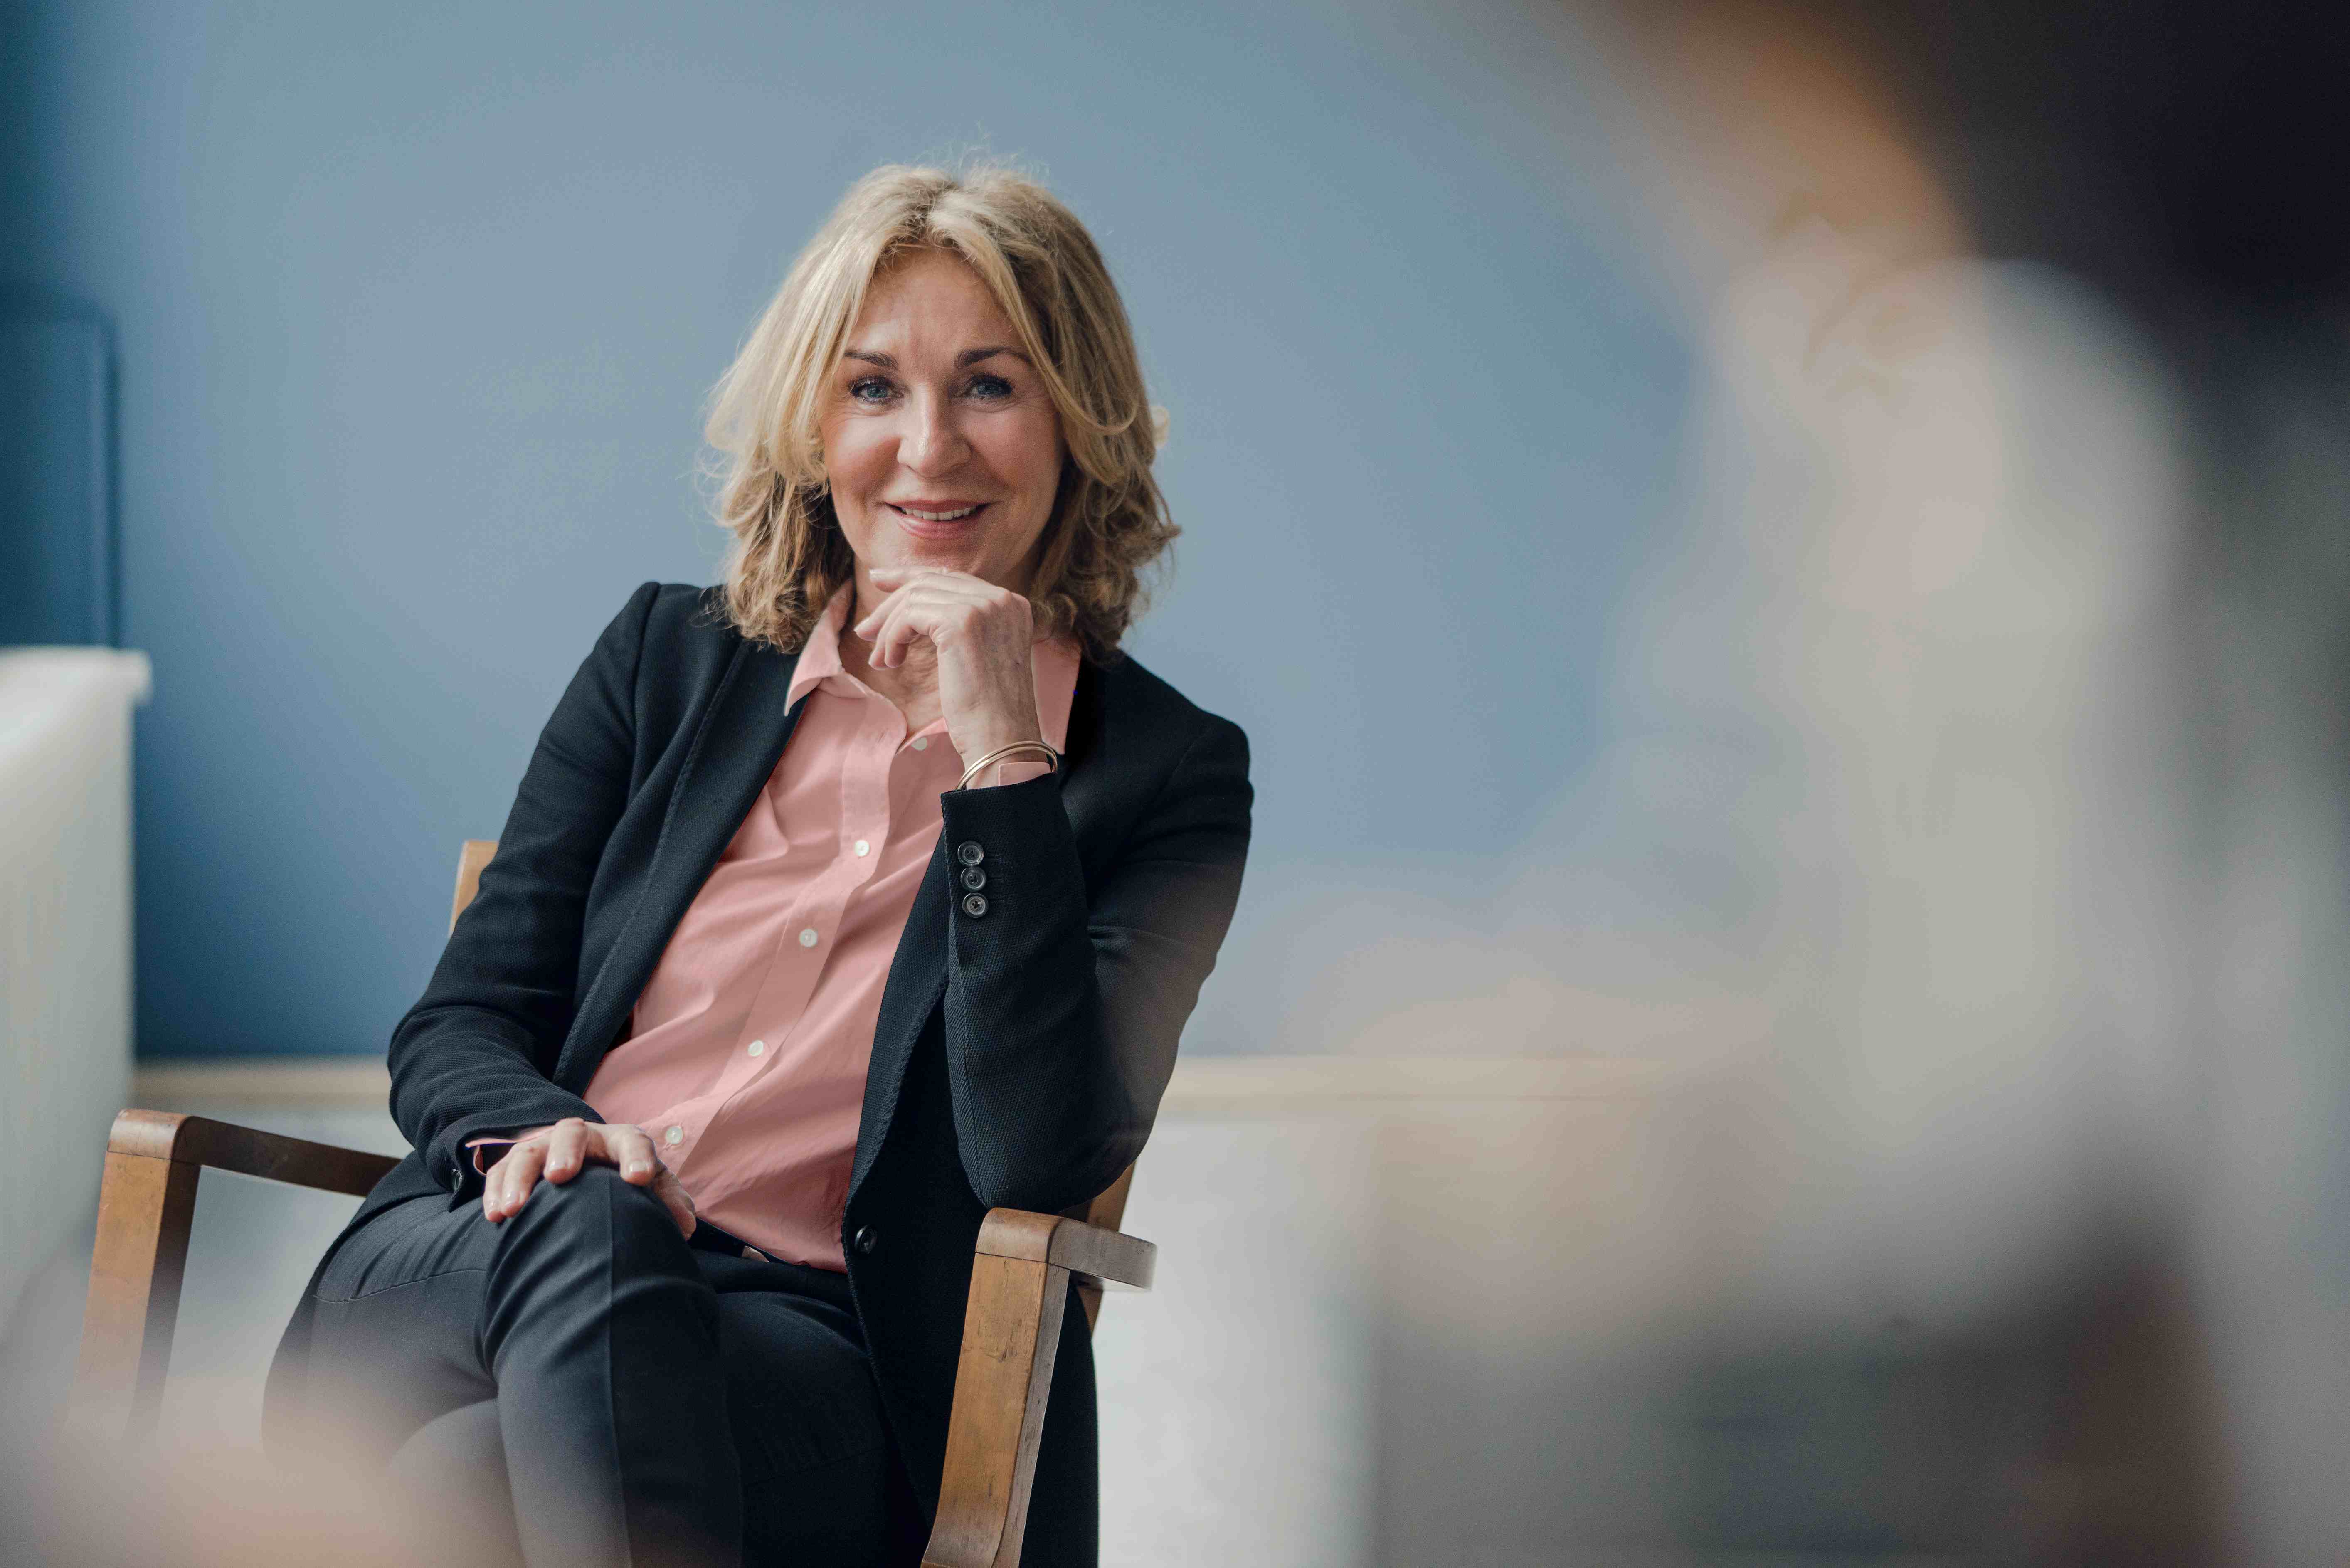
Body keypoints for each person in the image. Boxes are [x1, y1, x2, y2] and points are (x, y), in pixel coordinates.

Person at [262, 163, 1253, 1568]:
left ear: (1078, 422)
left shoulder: (1164, 773)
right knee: (591, 1229)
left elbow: (1038, 1149)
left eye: (989, 385)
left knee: (471, 1478)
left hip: (806, 1346)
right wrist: (542, 1140)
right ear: (811, 422)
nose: (928, 449)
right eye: (871, 390)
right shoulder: (665, 658)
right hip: (484, 1243)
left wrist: (1005, 765)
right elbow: (460, 1020)